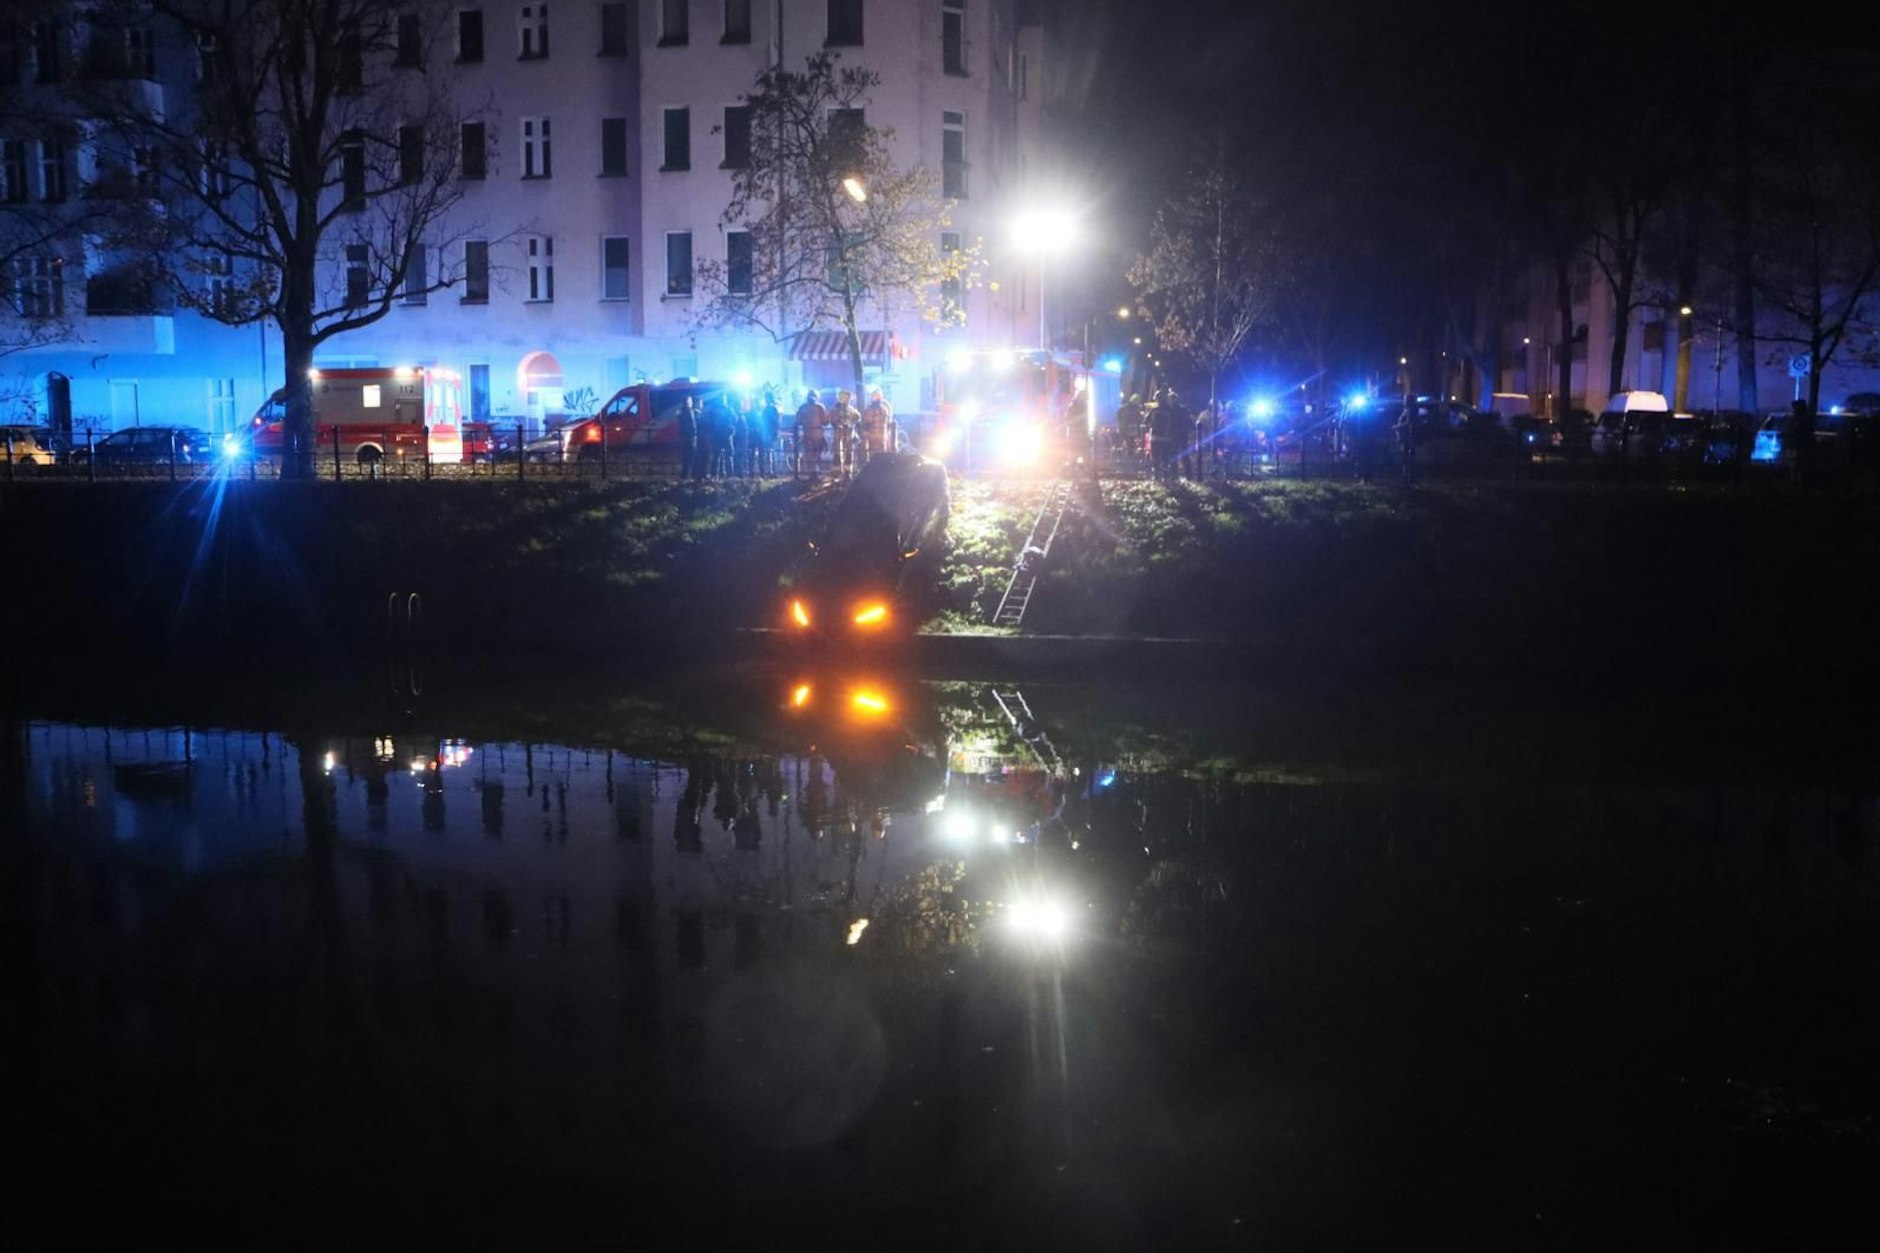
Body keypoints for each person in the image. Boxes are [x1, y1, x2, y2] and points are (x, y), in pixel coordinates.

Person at [794, 388, 827, 478]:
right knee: (817, 454)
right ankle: (815, 472)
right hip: (818, 435)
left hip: (807, 434)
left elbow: (798, 420)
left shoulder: (802, 407)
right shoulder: (820, 407)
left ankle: (811, 473)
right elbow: (825, 421)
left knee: (809, 454)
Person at [828, 389, 861, 477]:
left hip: (849, 434)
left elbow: (857, 417)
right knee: (837, 453)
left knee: (849, 453)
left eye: (848, 398)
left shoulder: (851, 409)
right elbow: (831, 419)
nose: (848, 399)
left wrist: (852, 423)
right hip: (838, 434)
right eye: (846, 397)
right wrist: (837, 424)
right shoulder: (835, 409)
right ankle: (837, 472)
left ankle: (847, 472)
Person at [1784, 397, 1815, 484]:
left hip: (1800, 446)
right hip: (1795, 446)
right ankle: (1795, 482)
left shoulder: (1803, 420)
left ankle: (1798, 482)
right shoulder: (1796, 420)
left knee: (1798, 466)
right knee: (1794, 466)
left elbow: (1803, 433)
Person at [753, 387, 781, 477]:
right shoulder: (774, 409)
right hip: (772, 433)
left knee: (765, 453)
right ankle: (773, 471)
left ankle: (765, 472)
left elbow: (763, 421)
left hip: (766, 434)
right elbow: (777, 422)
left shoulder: (766, 410)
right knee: (772, 453)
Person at [861, 388, 894, 463]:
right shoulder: (884, 409)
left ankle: (876, 465)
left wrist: (865, 432)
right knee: (879, 454)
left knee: (875, 454)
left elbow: (865, 422)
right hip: (880, 436)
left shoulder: (871, 410)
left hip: (876, 436)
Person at [676, 395, 700, 479]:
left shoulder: (681, 411)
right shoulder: (690, 412)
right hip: (690, 437)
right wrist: (695, 434)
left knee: (686, 456)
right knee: (692, 456)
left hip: (684, 437)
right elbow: (693, 425)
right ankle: (692, 474)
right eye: (690, 401)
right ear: (689, 402)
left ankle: (684, 474)